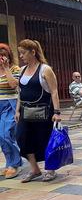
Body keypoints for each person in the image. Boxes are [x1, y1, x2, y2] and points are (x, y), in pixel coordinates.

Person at [15, 39, 62, 182]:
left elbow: (54, 91)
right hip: (25, 111)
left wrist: (57, 112)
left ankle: (50, 169)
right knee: (22, 138)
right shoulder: (22, 70)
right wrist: (17, 110)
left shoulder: (45, 69)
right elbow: (20, 92)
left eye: (23, 53)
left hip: (44, 111)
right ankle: (35, 169)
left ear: (33, 52)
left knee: (45, 139)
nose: (21, 56)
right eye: (20, 53)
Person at [0, 43, 22, 179]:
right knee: (0, 136)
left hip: (10, 103)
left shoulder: (14, 68)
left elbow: (14, 85)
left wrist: (6, 68)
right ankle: (9, 163)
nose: (1, 58)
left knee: (6, 133)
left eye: (4, 55)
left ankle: (15, 164)